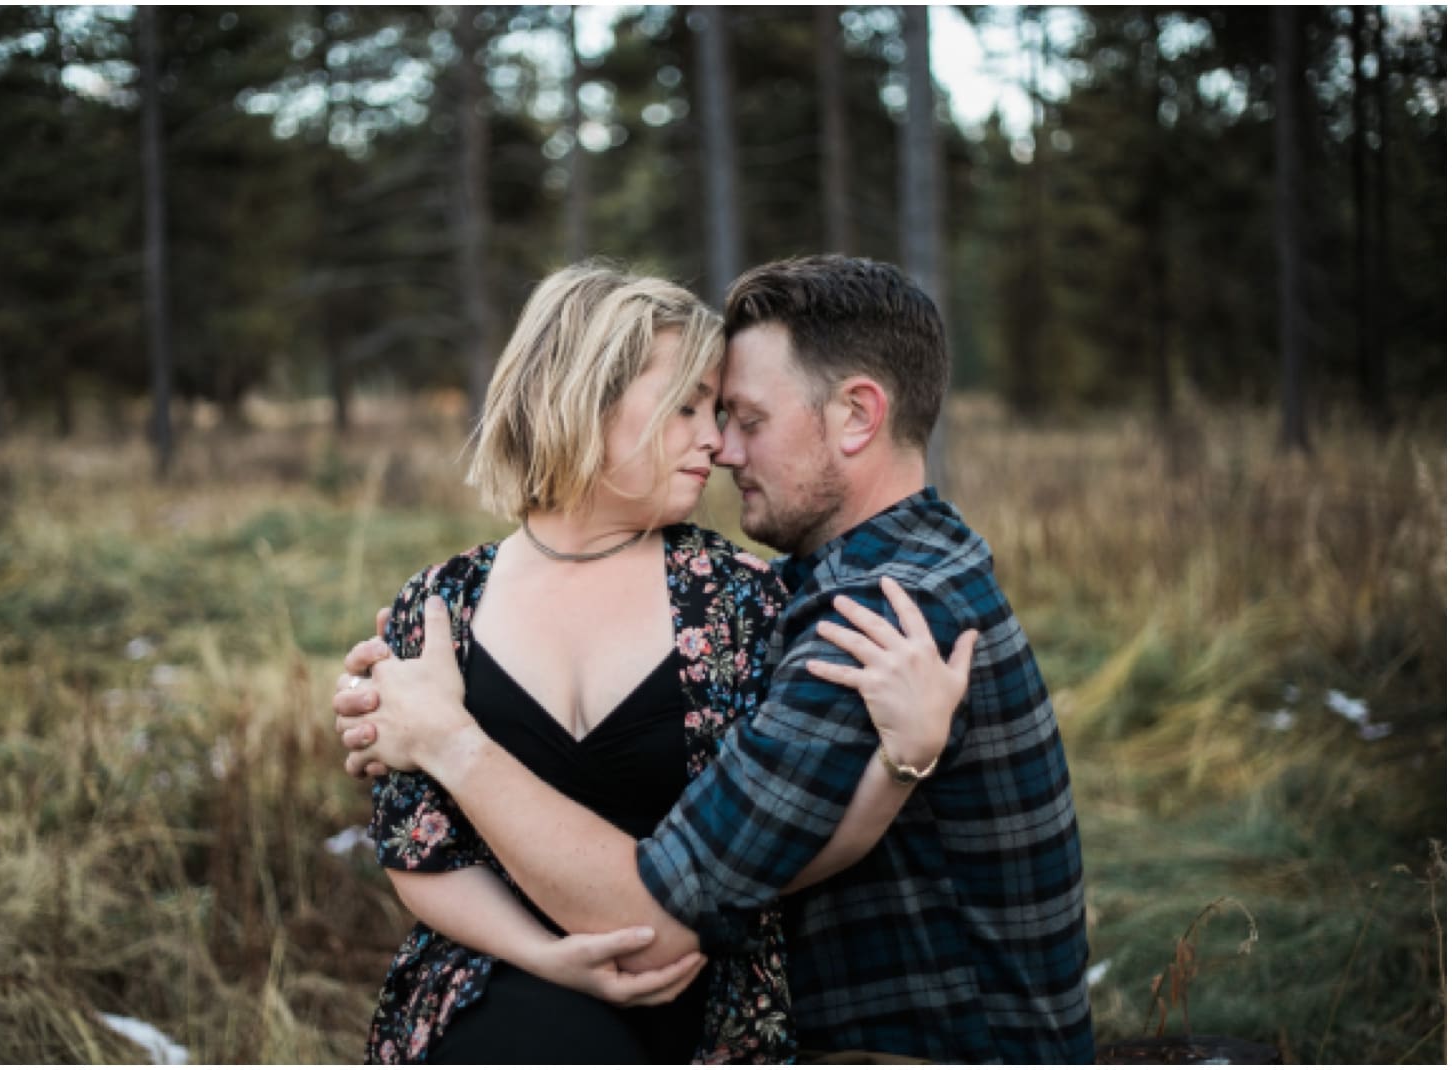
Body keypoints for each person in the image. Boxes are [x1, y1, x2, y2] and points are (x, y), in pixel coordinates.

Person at [336, 254, 1094, 1064]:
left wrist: (448, 739)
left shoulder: (807, 609)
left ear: (857, 416)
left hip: (791, 1011)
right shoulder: (447, 602)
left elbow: (719, 887)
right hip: (505, 980)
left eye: (740, 416)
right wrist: (538, 951)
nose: (720, 446)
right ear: (582, 404)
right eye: (691, 408)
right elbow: (414, 842)